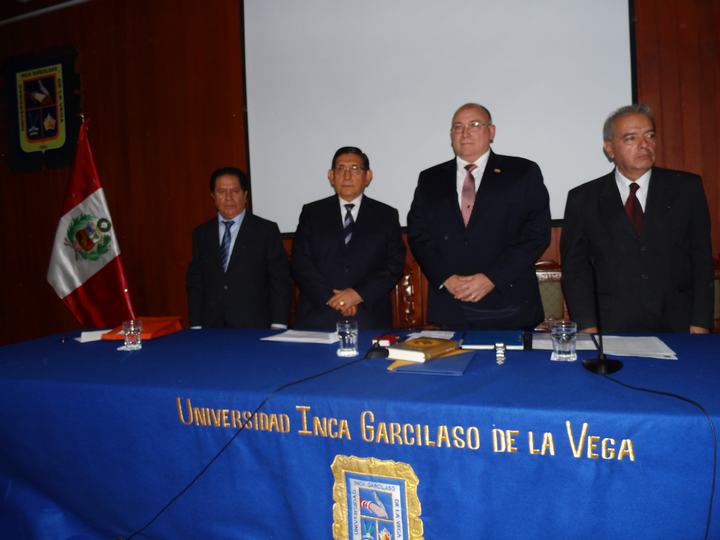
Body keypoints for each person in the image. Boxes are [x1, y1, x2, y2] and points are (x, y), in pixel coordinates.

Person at [561, 104, 714, 333]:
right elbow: (575, 269)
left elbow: (701, 259)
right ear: (609, 149)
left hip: (678, 323)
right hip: (611, 325)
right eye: (631, 138)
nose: (644, 144)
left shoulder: (686, 188)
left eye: (650, 135)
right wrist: (586, 326)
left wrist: (700, 322)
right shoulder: (583, 199)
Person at [407, 103, 551, 330]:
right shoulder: (430, 178)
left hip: (509, 304)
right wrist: (446, 278)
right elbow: (418, 234)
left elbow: (536, 234)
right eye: (458, 127)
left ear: (491, 132)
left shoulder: (522, 172)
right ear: (451, 135)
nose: (465, 133)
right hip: (451, 304)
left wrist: (492, 278)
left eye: (474, 125)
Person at [291, 146, 406, 329]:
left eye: (354, 169)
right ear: (331, 175)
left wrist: (357, 295)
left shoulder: (386, 215)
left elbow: (394, 264)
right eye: (340, 169)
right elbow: (300, 262)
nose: (346, 176)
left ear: (368, 176)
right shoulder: (312, 213)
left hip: (368, 315)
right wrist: (333, 299)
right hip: (319, 314)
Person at [186, 166, 291, 328]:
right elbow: (196, 283)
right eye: (221, 191)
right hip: (211, 326)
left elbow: (280, 280)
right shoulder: (201, 233)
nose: (228, 197)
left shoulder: (265, 230)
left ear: (245, 195)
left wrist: (279, 323)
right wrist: (195, 324)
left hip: (254, 325)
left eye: (235, 191)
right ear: (213, 196)